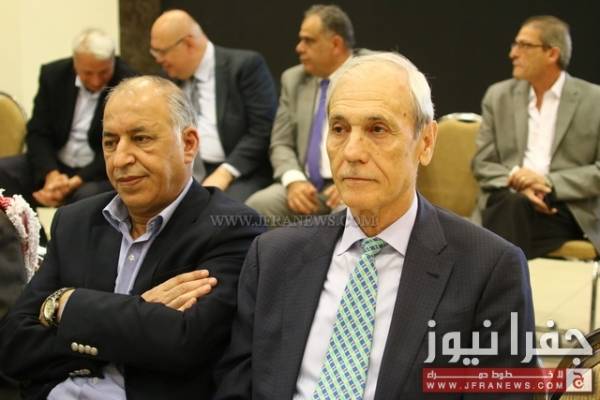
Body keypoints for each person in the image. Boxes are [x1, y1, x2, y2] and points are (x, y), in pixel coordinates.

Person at [215, 53, 536, 399]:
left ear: (426, 142)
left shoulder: (488, 269)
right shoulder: (273, 256)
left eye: (377, 129)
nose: (352, 152)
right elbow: (236, 387)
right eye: (339, 129)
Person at [0, 76, 264, 399]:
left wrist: (67, 303)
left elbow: (184, 344)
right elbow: (13, 344)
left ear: (189, 144)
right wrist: (137, 318)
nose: (120, 159)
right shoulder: (75, 221)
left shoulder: (231, 228)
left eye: (141, 139)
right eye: (110, 142)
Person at [472, 15, 600, 259]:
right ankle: (511, 281)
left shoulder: (594, 100)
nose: (513, 53)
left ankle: (494, 280)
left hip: (563, 207)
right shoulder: (498, 96)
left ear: (552, 53)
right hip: (508, 195)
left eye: (524, 45)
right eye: (515, 44)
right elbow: (482, 163)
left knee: (499, 227)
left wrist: (547, 183)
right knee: (513, 205)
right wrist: (518, 180)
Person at [246, 5, 370, 221]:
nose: (299, 48)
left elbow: (384, 140)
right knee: (258, 206)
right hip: (307, 186)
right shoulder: (293, 79)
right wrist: (294, 180)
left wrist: (353, 179)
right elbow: (281, 143)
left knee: (348, 215)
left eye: (308, 41)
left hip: (356, 181)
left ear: (336, 44)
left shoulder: (375, 73)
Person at [150, 9, 277, 202]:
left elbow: (262, 130)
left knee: (219, 211)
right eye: (154, 52)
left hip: (237, 171)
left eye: (162, 52)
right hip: (184, 172)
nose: (158, 60)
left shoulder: (245, 67)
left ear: (189, 44)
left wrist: (225, 172)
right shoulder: (169, 79)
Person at [0, 28, 136, 207]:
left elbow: (120, 145)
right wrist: (51, 174)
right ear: (75, 63)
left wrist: (76, 181)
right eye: (88, 73)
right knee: (4, 171)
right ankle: (28, 225)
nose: (96, 81)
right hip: (55, 163)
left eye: (103, 72)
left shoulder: (130, 83)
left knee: (88, 198)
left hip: (97, 171)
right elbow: (38, 132)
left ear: (113, 61)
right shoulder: (53, 75)